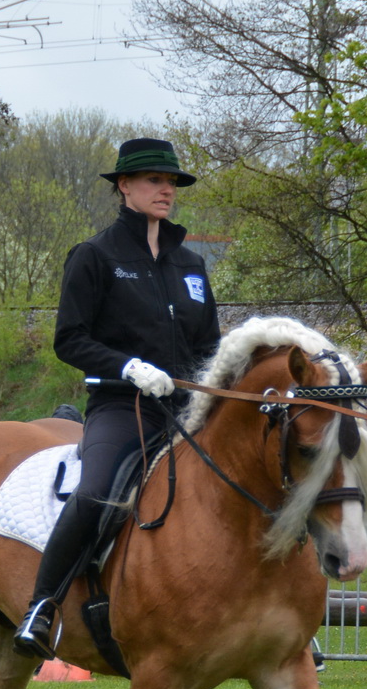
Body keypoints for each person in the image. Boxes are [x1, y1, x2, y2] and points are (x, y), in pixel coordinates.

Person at [14, 138, 222, 657]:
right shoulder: (95, 256)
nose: (166, 189)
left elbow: (211, 346)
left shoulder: (192, 265)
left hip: (186, 410)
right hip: (119, 408)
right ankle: (42, 605)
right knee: (96, 492)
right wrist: (128, 366)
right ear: (124, 186)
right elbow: (70, 338)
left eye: (171, 181)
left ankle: (281, 622)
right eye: (154, 180)